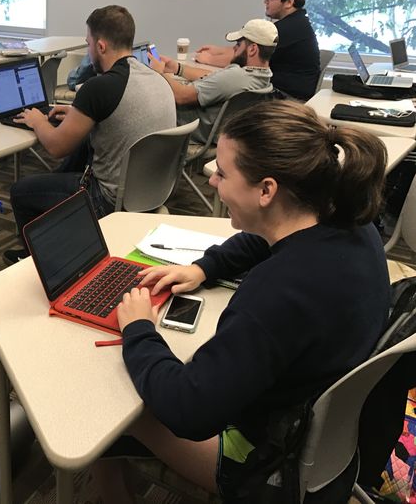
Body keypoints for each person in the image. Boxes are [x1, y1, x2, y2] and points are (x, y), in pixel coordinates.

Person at [93, 100, 390, 503]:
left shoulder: (277, 293)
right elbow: (260, 236)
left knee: (117, 401)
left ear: (267, 190)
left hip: (267, 463)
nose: (211, 180)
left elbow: (188, 411)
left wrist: (139, 329)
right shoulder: (350, 220)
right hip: (325, 442)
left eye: (223, 173)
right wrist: (203, 268)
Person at [3, 5, 176, 264]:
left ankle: (36, 262)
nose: (88, 51)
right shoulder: (156, 78)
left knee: (21, 192)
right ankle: (63, 239)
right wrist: (77, 112)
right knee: (82, 146)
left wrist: (38, 121)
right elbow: (121, 113)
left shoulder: (99, 87)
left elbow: (56, 147)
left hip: (108, 200)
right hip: (151, 192)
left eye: (88, 44)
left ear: (101, 46)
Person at [195, 0, 321, 101]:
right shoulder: (296, 23)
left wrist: (208, 59)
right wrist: (218, 50)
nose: (265, 1)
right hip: (282, 91)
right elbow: (247, 48)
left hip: (287, 98)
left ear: (289, 2)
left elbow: (243, 58)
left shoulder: (287, 29)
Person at [149, 19, 276, 143]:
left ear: (252, 49)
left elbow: (182, 96)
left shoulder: (236, 76)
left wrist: (159, 73)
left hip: (190, 127)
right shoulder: (263, 76)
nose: (234, 49)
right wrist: (177, 68)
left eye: (238, 45)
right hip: (220, 131)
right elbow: (216, 77)